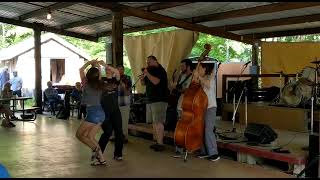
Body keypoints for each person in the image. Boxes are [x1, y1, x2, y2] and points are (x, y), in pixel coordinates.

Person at [75, 60, 107, 166]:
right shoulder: (100, 83)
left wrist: (90, 62)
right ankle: (101, 159)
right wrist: (97, 66)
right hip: (101, 112)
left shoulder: (85, 83)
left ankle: (95, 150)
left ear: (88, 75)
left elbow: (80, 69)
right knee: (91, 136)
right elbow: (100, 75)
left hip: (93, 112)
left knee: (79, 135)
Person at [193, 62, 220, 161]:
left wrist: (199, 77)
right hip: (202, 108)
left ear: (205, 69)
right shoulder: (201, 79)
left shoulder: (210, 77)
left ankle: (214, 153)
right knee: (202, 129)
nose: (198, 70)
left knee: (208, 130)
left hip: (211, 107)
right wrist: (195, 77)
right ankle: (204, 151)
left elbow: (208, 85)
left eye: (200, 68)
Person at [141, 55, 168, 152]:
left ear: (155, 61)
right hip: (151, 99)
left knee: (158, 121)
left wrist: (147, 73)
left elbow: (156, 82)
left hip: (159, 99)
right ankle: (157, 141)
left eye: (149, 62)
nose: (147, 64)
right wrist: (142, 78)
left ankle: (161, 143)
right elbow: (144, 84)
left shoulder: (160, 70)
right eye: (147, 62)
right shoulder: (151, 71)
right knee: (154, 121)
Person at [98, 63, 124, 161]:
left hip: (115, 110)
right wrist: (100, 67)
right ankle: (98, 154)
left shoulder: (115, 80)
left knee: (119, 132)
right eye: (107, 69)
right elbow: (99, 75)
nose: (108, 70)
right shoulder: (102, 80)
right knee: (107, 132)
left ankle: (118, 154)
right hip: (104, 111)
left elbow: (117, 72)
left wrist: (106, 65)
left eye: (110, 69)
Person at [171, 59, 193, 157]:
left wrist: (176, 88)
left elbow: (187, 90)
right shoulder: (181, 76)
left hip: (187, 105)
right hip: (180, 104)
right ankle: (179, 148)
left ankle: (187, 146)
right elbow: (178, 88)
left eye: (183, 66)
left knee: (186, 127)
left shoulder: (192, 76)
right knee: (179, 127)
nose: (181, 68)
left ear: (188, 66)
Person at [117, 65, 132, 143]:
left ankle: (125, 137)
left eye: (121, 69)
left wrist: (120, 81)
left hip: (124, 102)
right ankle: (116, 136)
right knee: (116, 120)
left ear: (123, 70)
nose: (120, 71)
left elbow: (127, 90)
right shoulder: (114, 78)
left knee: (124, 120)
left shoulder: (127, 78)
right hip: (115, 102)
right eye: (118, 69)